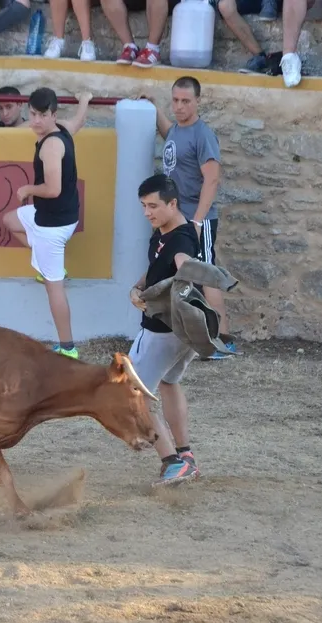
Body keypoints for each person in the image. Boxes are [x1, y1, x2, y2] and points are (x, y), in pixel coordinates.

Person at [140, 76, 236, 360]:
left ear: (198, 101)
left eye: (186, 101)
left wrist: (197, 221)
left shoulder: (202, 135)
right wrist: (155, 107)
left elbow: (212, 179)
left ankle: (223, 341)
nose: (179, 106)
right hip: (176, 219)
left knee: (205, 275)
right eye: (175, 100)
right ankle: (193, 338)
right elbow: (169, 134)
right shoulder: (176, 130)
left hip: (196, 219)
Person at [1, 88, 91, 359]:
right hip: (61, 216)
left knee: (54, 289)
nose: (36, 121)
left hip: (52, 225)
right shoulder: (62, 129)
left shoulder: (51, 146)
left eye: (42, 115)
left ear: (53, 114)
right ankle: (45, 264)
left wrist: (27, 189)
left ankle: (68, 347)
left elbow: (52, 189)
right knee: (9, 220)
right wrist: (84, 100)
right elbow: (79, 121)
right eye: (32, 114)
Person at [128, 174, 202, 487]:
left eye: (154, 206)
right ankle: (186, 456)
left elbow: (185, 266)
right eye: (144, 206)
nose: (148, 212)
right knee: (169, 383)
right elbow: (157, 266)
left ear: (173, 204)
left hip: (163, 331)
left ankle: (172, 462)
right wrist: (138, 287)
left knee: (133, 397)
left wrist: (187, 280)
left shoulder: (181, 240)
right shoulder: (163, 231)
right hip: (180, 333)